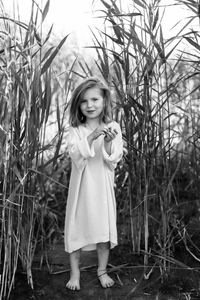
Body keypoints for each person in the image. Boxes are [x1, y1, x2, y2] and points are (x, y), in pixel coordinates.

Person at [64, 76, 123, 290]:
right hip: (81, 187)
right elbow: (75, 155)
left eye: (95, 99)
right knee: (76, 226)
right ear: (78, 104)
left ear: (104, 100)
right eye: (84, 101)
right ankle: (75, 272)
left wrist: (106, 142)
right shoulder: (76, 129)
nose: (90, 105)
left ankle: (102, 270)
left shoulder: (113, 126)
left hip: (102, 187)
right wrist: (91, 138)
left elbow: (113, 160)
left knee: (103, 229)